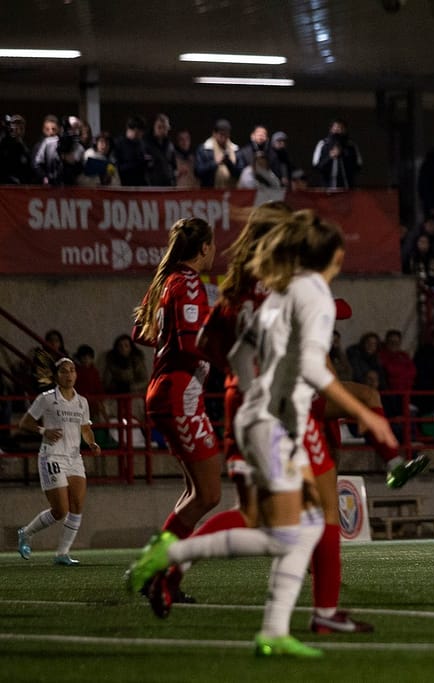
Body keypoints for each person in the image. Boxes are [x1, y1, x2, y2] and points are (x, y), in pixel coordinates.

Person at [127, 210, 396, 658]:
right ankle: (318, 610)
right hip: (280, 405)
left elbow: (205, 343)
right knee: (297, 508)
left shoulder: (234, 287)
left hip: (246, 404)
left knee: (257, 510)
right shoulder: (278, 283)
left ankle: (302, 611)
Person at [131, 217, 222, 557]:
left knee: (197, 491)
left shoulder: (166, 280)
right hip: (180, 394)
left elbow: (141, 333)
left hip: (170, 391)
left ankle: (162, 568)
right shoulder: (190, 284)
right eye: (213, 245)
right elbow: (188, 345)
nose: (215, 251)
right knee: (209, 494)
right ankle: (153, 565)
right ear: (204, 247)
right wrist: (230, 351)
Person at [17, 357, 101, 566]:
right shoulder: (46, 399)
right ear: (56, 376)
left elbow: (85, 428)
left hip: (74, 458)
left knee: (77, 505)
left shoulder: (81, 401)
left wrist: (92, 443)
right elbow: (24, 423)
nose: (69, 374)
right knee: (60, 510)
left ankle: (62, 554)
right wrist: (44, 430)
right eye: (64, 371)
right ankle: (26, 533)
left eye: (72, 370)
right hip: (52, 456)